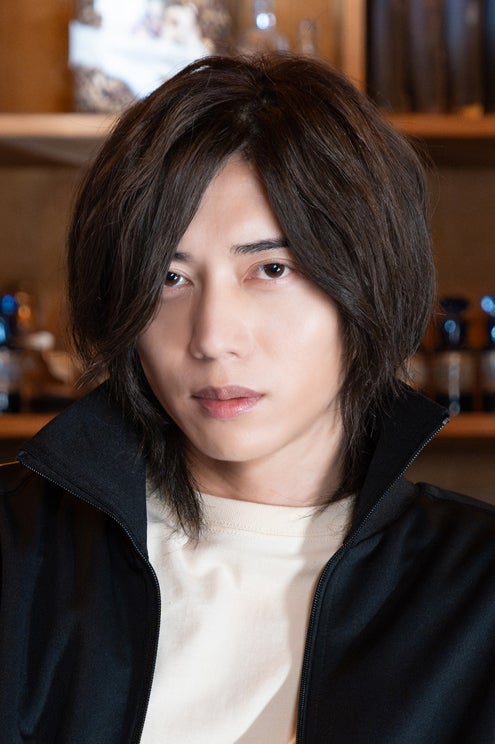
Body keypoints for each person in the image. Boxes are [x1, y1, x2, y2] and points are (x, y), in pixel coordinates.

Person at [1, 53, 495, 744]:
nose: (211, 337)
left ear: (369, 283)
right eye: (169, 278)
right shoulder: (17, 553)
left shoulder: (477, 593)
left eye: (271, 268)